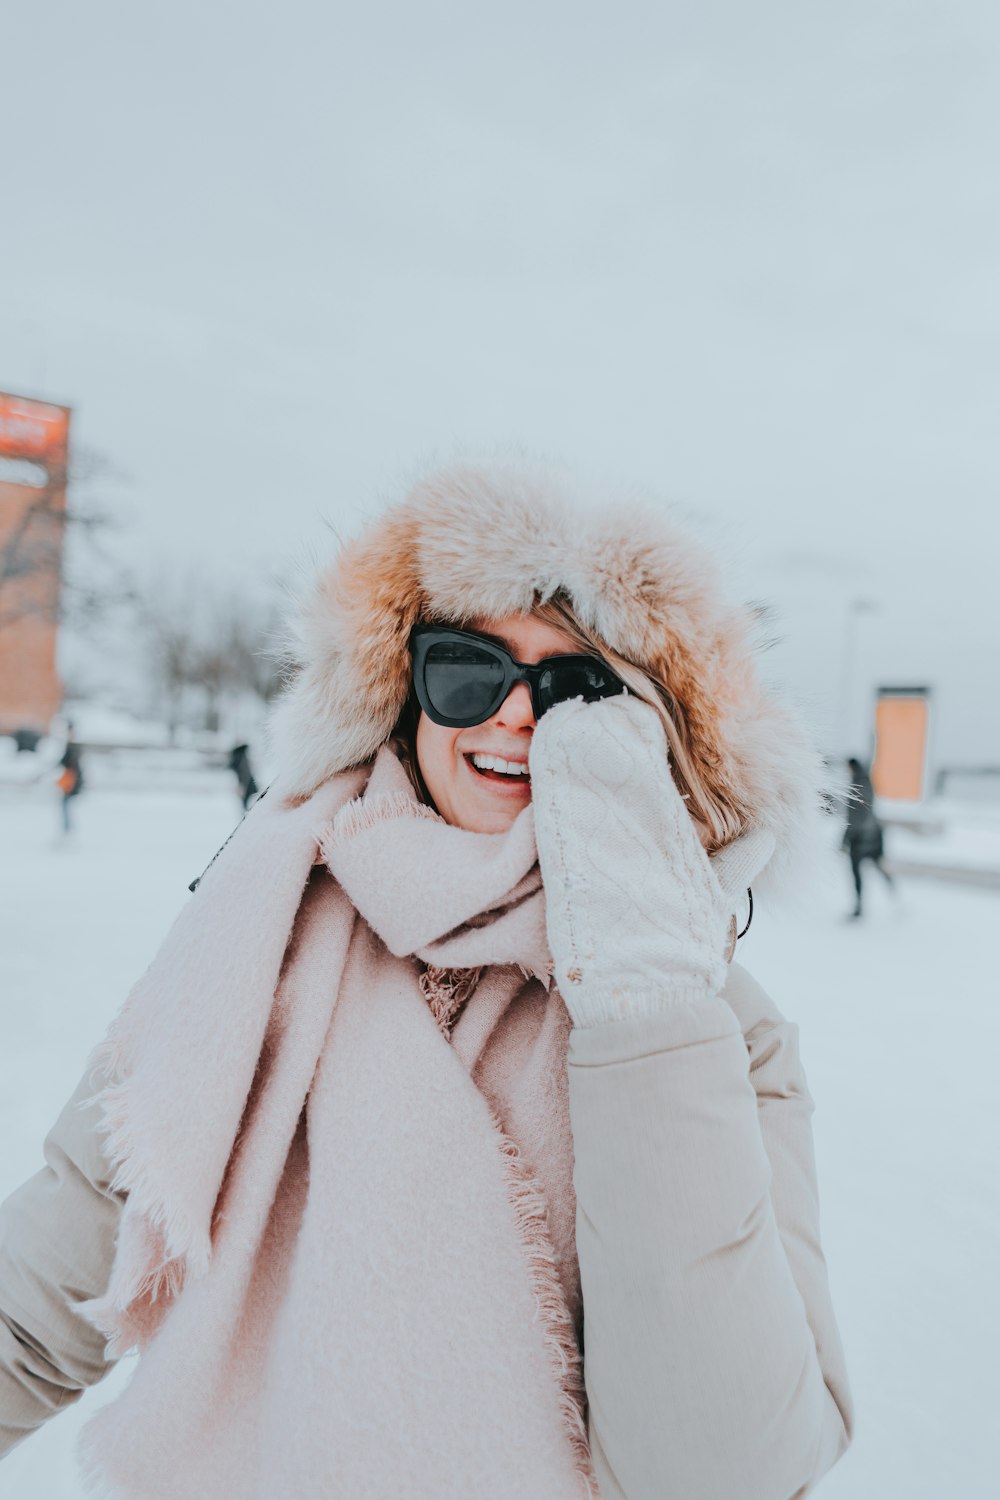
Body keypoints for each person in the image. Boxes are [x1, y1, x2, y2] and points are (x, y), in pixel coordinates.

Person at [0, 461, 853, 1499]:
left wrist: (642, 995)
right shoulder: (251, 939)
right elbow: (41, 1306)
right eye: (465, 670)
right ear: (405, 700)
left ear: (649, 738)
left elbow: (719, 1471)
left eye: (578, 689)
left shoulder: (716, 1033)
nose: (514, 717)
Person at [843, 755, 895, 918]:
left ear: (852, 767)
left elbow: (856, 816)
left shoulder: (859, 784)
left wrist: (846, 838)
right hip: (872, 835)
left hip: (862, 837)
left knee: (857, 871)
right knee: (877, 866)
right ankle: (893, 894)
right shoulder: (865, 781)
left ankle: (859, 906)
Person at [56, 721, 85, 835]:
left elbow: (72, 765)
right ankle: (67, 829)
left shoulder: (73, 747)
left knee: (65, 805)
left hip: (71, 781)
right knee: (65, 805)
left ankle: (67, 830)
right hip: (70, 780)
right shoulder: (71, 746)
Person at [227, 742, 259, 810]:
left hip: (245, 782)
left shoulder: (237, 756)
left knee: (248, 801)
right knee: (250, 800)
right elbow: (244, 772)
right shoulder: (240, 756)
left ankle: (248, 813)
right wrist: (242, 785)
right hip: (246, 783)